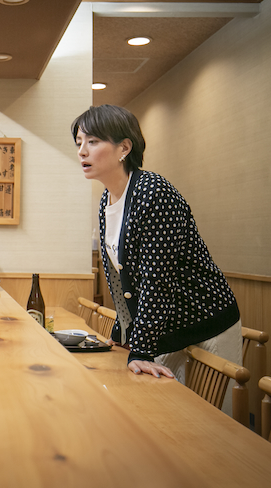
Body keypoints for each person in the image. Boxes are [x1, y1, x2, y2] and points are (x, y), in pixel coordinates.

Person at [71, 104, 242, 384]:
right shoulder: (107, 199)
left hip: (206, 321)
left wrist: (141, 349)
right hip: (164, 326)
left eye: (93, 141)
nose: (82, 151)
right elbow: (120, 280)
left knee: (213, 423)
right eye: (79, 143)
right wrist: (125, 335)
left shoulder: (153, 192)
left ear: (124, 148)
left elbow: (156, 279)